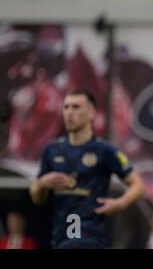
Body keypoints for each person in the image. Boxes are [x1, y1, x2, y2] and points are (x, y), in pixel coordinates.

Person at [29, 89, 145, 248]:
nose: (69, 112)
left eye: (76, 107)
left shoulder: (105, 150)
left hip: (91, 240)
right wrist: (41, 184)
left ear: (91, 113)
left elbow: (138, 185)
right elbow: (38, 199)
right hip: (61, 241)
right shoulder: (51, 150)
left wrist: (121, 203)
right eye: (66, 107)